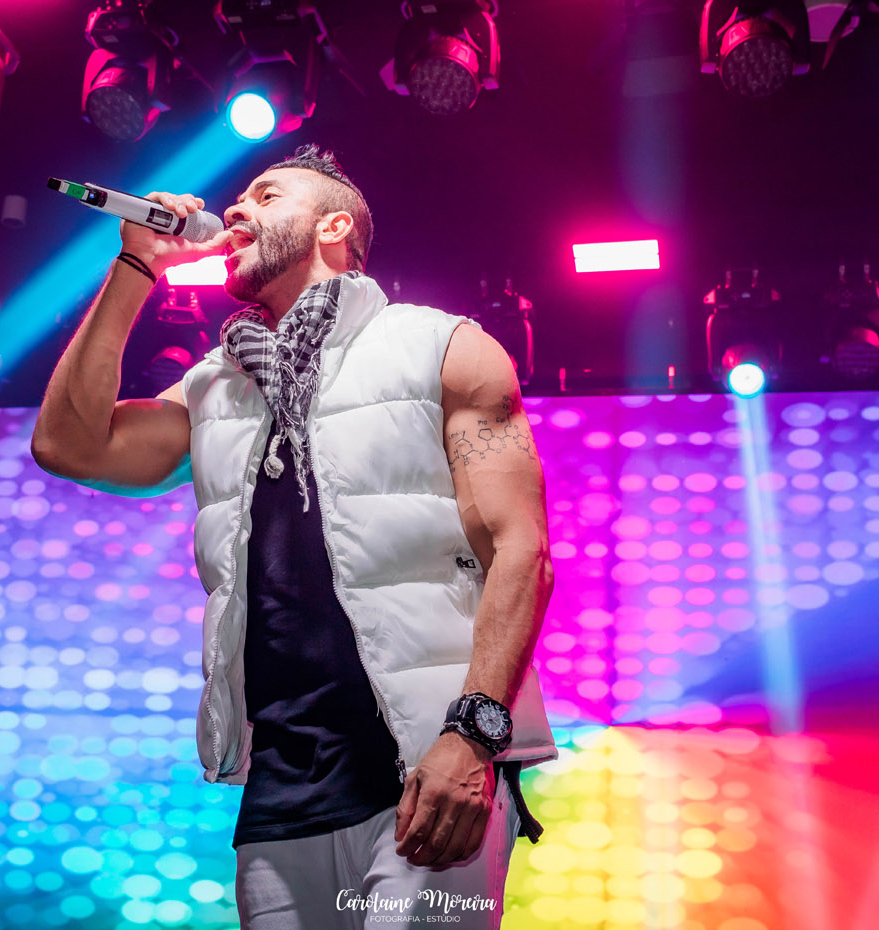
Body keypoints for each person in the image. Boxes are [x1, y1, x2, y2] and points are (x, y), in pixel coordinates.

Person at [32, 144, 557, 928]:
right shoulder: (216, 384)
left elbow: (520, 550)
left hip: (428, 758)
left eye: (267, 194)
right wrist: (137, 265)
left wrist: (472, 736)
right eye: (239, 196)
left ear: (332, 227)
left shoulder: (441, 346)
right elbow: (69, 446)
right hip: (285, 783)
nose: (234, 208)